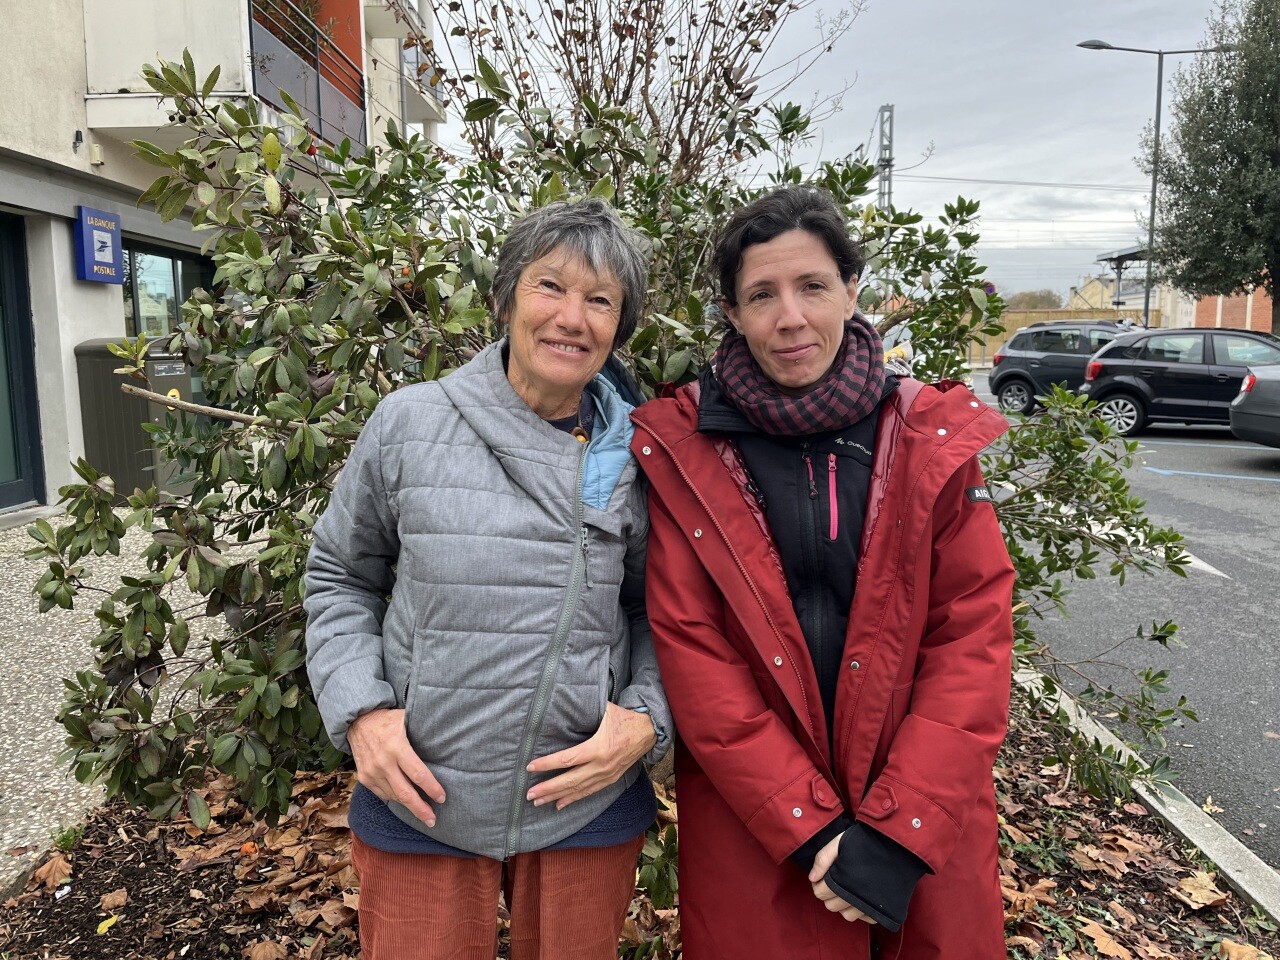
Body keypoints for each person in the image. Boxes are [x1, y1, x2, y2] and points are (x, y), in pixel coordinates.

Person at [630, 185, 1014, 959]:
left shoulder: (927, 436)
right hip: (760, 830)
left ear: (852, 290)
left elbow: (971, 637)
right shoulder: (686, 448)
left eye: (812, 286)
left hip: (921, 815)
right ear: (733, 315)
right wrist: (806, 825)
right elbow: (696, 652)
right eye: (761, 295)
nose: (790, 317)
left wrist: (903, 827)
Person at [305, 197, 671, 960]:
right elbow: (341, 574)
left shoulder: (641, 458)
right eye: (550, 287)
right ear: (505, 299)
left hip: (583, 800)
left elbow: (661, 612)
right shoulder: (408, 424)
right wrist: (361, 712)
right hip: (421, 799)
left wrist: (645, 719)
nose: (572, 317)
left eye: (600, 300)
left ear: (619, 328)